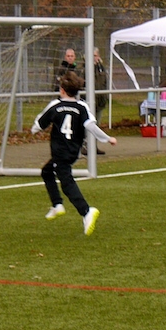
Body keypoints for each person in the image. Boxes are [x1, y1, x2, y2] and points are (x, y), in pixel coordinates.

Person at [31, 71, 118, 236]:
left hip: (60, 151)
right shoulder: (82, 106)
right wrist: (107, 138)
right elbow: (91, 126)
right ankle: (57, 205)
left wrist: (34, 129)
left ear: (62, 90)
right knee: (47, 172)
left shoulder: (55, 105)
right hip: (73, 151)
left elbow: (39, 124)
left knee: (66, 182)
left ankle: (86, 211)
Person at [80, 48, 108, 155]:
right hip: (87, 102)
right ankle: (85, 146)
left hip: (99, 101)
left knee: (97, 124)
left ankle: (94, 146)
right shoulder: (83, 68)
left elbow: (104, 83)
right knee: (87, 125)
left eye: (96, 55)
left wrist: (105, 97)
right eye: (92, 56)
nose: (94, 58)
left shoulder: (101, 68)